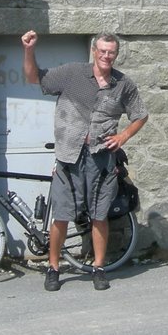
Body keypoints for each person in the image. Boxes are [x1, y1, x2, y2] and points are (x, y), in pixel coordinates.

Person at [21, 29, 148, 291]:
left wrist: (123, 136)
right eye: (102, 51)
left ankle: (99, 268)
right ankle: (53, 268)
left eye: (111, 52)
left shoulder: (124, 84)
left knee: (99, 216)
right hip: (69, 157)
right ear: (94, 51)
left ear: (116, 54)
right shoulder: (72, 74)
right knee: (62, 215)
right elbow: (34, 77)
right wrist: (29, 50)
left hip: (102, 161)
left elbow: (140, 115)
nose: (106, 56)